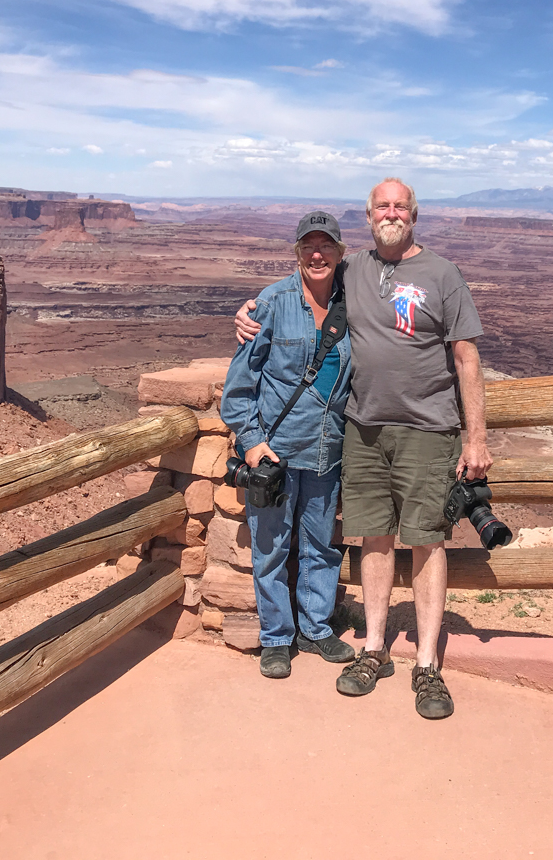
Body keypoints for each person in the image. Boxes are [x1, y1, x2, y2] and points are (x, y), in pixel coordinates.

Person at [236, 178, 492, 718]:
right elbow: (293, 293)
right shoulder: (347, 272)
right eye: (382, 206)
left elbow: (467, 358)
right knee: (369, 537)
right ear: (369, 217)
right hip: (360, 432)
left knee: (424, 542)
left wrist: (476, 437)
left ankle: (426, 664)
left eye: (400, 205)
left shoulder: (441, 273)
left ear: (414, 215)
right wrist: (247, 310)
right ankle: (366, 648)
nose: (391, 213)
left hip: (422, 431)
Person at [220, 212, 356, 679]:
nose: (317, 255)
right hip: (275, 454)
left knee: (320, 546)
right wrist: (253, 445)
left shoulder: (353, 304)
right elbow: (239, 387)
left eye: (326, 246)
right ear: (297, 253)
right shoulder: (271, 304)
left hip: (327, 452)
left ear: (340, 253)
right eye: (308, 247)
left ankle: (315, 629)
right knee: (272, 548)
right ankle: (276, 637)